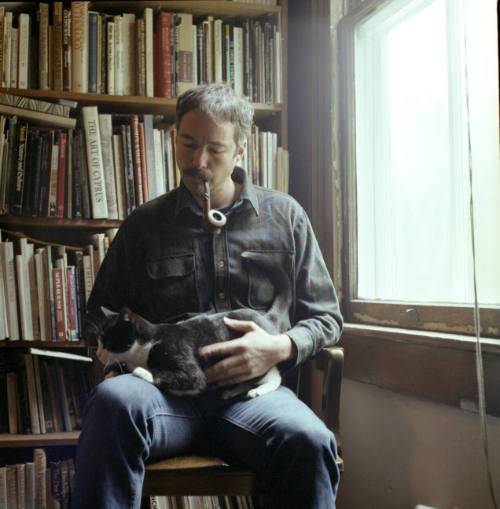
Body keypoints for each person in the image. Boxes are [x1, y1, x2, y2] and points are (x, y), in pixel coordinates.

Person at [72, 83, 343, 509]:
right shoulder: (144, 224)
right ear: (173, 139)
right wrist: (113, 349)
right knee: (111, 402)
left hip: (254, 401)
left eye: (215, 148)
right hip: (164, 400)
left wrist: (279, 346)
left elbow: (327, 318)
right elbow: (98, 314)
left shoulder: (286, 216)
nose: (197, 162)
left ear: (241, 149)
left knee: (310, 441)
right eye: (188, 144)